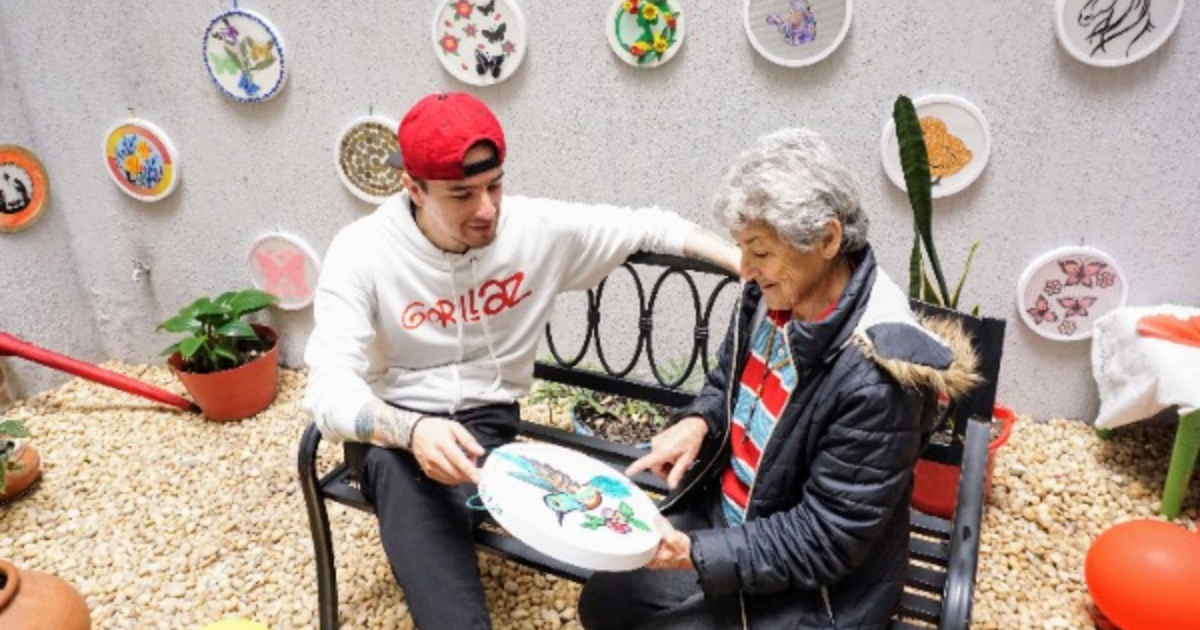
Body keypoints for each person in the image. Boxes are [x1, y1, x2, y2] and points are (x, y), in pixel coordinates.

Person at [302, 91, 740, 630]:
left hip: (489, 425)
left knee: (446, 493)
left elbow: (652, 226)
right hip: (394, 429)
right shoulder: (362, 251)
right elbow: (326, 390)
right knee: (403, 472)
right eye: (461, 194)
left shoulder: (532, 228)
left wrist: (750, 264)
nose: (486, 209)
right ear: (412, 187)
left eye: (495, 185)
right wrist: (412, 430)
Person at [578, 128, 980, 630]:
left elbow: (826, 538)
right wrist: (700, 422)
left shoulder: (876, 378)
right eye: (742, 248)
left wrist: (695, 554)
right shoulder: (771, 298)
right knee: (604, 601)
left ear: (828, 239)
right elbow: (726, 378)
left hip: (818, 588)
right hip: (733, 517)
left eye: (760, 251)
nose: (745, 269)